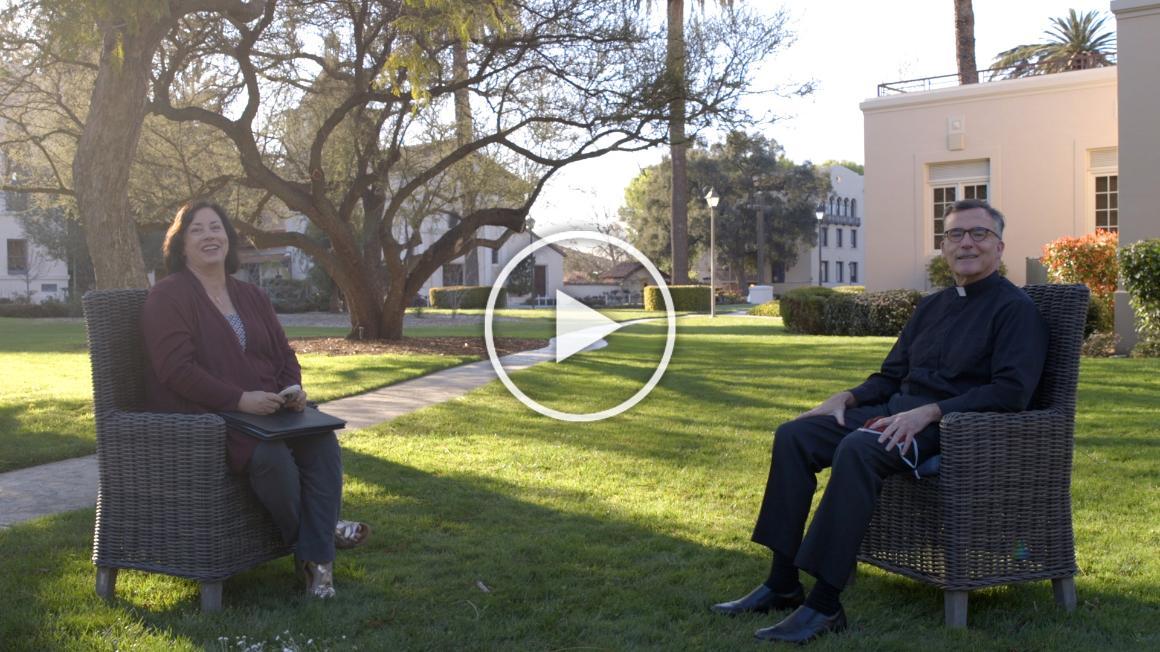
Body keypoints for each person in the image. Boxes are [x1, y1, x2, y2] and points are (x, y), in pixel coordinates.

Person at [712, 199, 1049, 643]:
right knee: (795, 435)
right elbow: (891, 376)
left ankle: (825, 605)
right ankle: (782, 582)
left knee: (859, 449)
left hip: (953, 429)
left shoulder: (1015, 310)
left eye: (978, 234)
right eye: (955, 234)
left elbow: (1011, 393)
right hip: (895, 414)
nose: (966, 242)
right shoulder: (931, 306)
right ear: (944, 247)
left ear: (999, 246)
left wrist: (931, 412)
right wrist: (846, 397)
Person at [142, 200, 370, 599]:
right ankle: (320, 558)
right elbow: (176, 370)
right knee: (271, 459)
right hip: (211, 415)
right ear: (180, 245)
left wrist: (293, 390)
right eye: (197, 229)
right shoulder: (168, 295)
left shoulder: (252, 296)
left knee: (323, 444)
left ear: (229, 239)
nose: (209, 235)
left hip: (271, 410)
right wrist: (239, 399)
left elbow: (283, 355)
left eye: (216, 228)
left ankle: (318, 543)